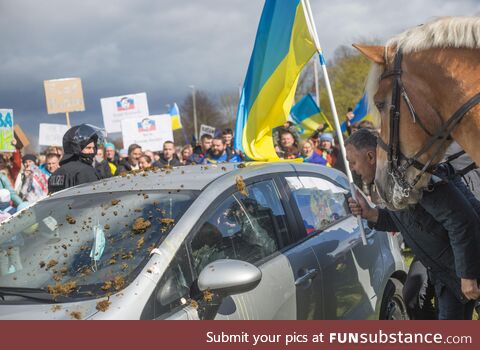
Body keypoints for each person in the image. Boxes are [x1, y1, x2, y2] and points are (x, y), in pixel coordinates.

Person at [345, 128, 480, 320]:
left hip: (465, 266)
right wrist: (372, 214)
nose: (351, 168)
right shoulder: (393, 181)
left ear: (370, 156)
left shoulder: (413, 175)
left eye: (352, 162)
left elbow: (461, 222)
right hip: (447, 274)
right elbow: (410, 222)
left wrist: (467, 275)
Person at [48, 124, 105, 194]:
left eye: (93, 148)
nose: (92, 151)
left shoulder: (54, 174)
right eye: (88, 148)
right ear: (76, 148)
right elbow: (96, 199)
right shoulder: (85, 171)